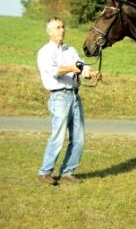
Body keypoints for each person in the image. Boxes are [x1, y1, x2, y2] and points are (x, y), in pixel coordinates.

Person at [37, 17, 102, 185]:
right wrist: (71, 68)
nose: (62, 30)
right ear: (49, 31)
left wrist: (91, 73)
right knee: (58, 136)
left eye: (63, 27)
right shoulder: (45, 52)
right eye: (58, 27)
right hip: (59, 97)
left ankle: (67, 172)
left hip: (74, 95)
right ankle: (45, 172)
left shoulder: (70, 50)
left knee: (78, 137)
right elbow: (53, 71)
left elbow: (82, 68)